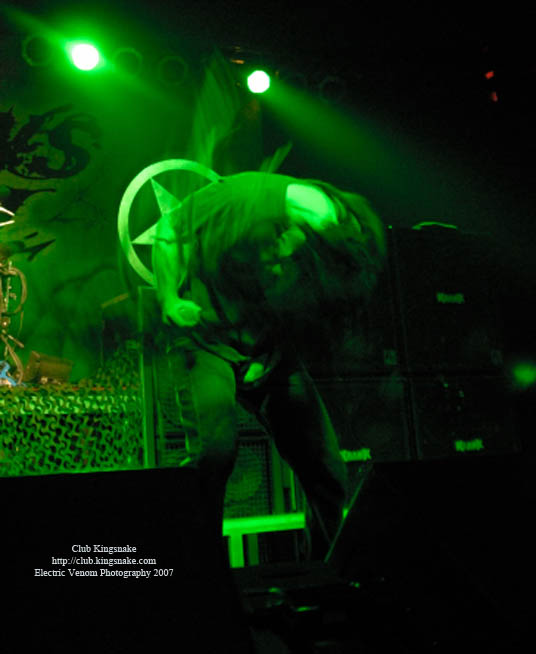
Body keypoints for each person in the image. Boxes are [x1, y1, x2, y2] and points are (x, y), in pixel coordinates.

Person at [152, 170, 385, 561]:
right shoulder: (240, 197)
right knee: (214, 453)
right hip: (207, 340)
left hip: (269, 351)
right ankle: (200, 570)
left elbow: (311, 305)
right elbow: (167, 230)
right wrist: (169, 298)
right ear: (296, 220)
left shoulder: (326, 227)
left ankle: (326, 572)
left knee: (326, 467)